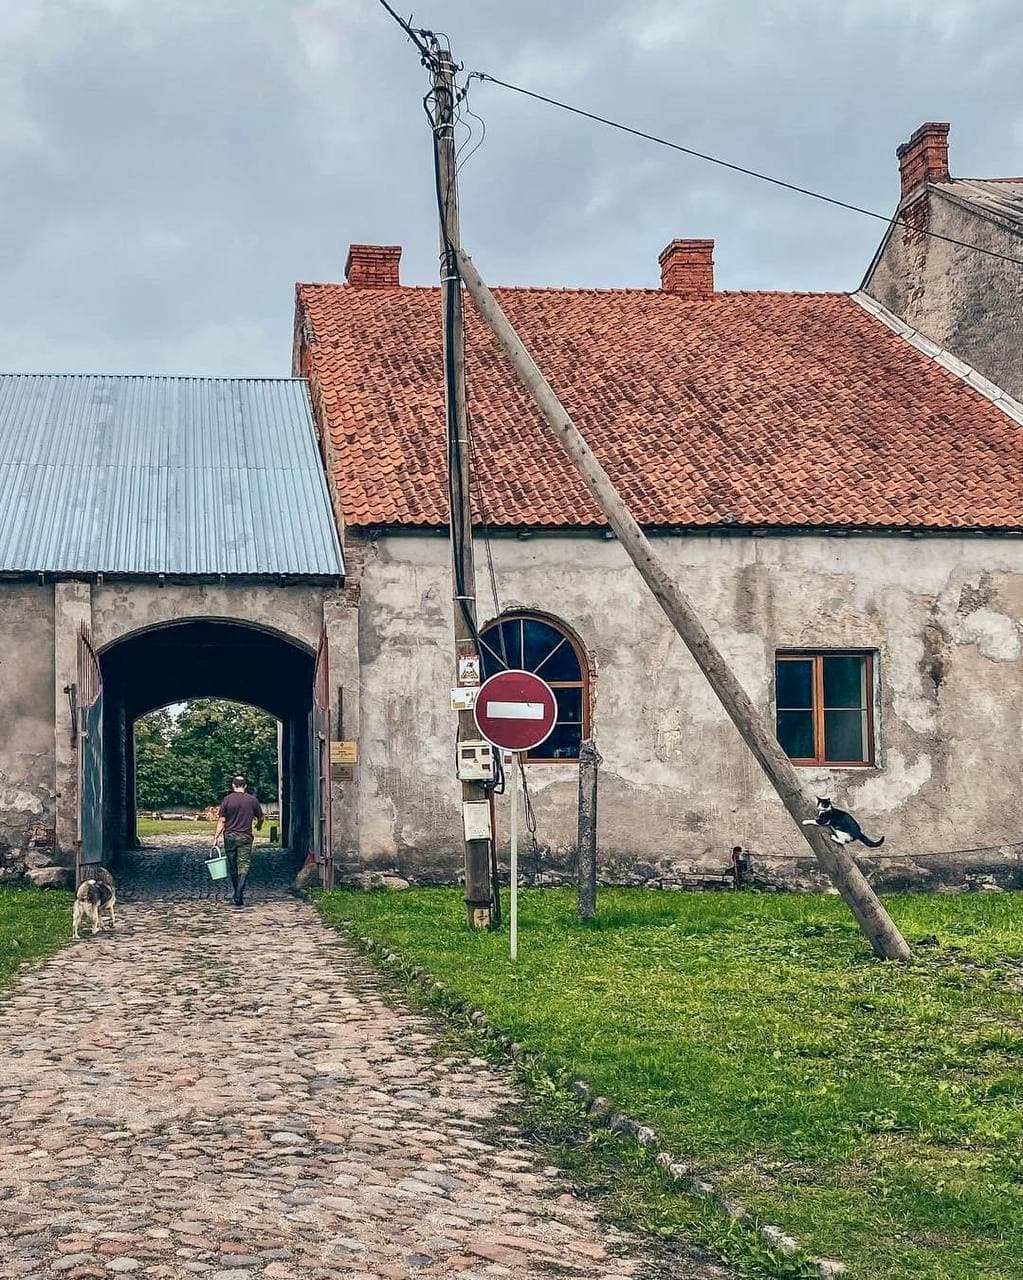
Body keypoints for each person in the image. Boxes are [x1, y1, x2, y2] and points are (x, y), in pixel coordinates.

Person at [214, 774, 264, 907]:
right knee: (244, 865)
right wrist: (258, 826)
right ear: (245, 786)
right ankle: (239, 894)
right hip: (245, 837)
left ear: (233, 785)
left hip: (229, 836)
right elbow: (260, 817)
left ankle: (236, 891)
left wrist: (215, 837)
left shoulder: (227, 800)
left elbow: (222, 821)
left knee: (233, 865)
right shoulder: (252, 800)